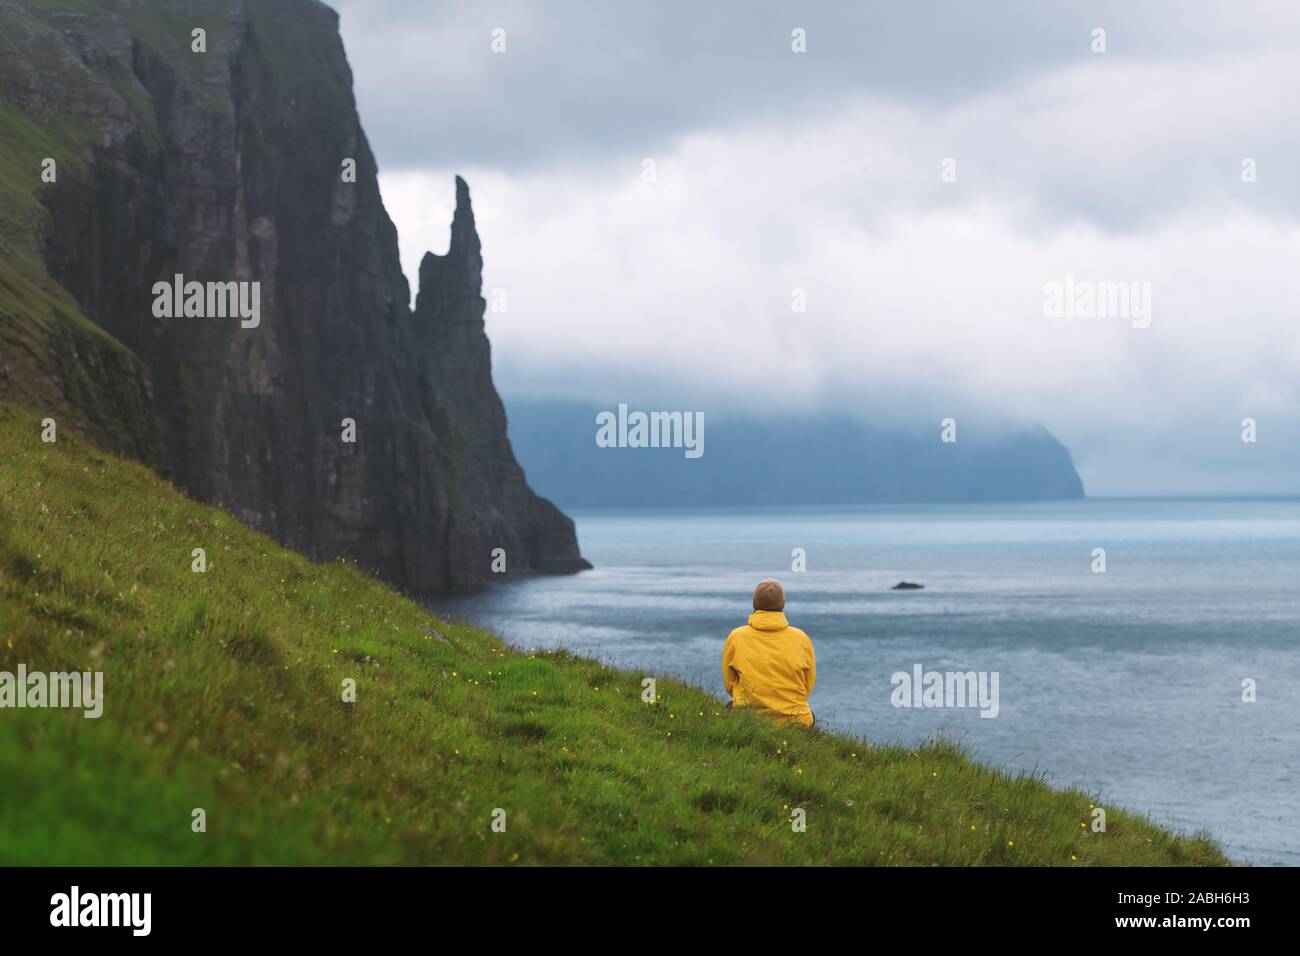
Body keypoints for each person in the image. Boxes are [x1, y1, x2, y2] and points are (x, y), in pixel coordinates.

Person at [722, 578, 816, 727]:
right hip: (796, 720)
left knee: (727, 709)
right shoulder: (801, 638)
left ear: (754, 603)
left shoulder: (737, 637)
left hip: (749, 718)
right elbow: (807, 684)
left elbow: (729, 684)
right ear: (783, 604)